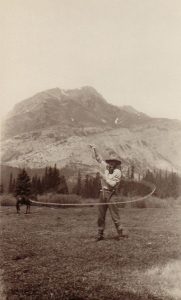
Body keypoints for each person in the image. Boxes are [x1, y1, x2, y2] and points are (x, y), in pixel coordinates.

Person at [89, 144, 128, 241]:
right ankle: (100, 234)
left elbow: (112, 185)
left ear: (116, 163)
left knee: (115, 216)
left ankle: (121, 234)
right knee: (100, 215)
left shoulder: (117, 172)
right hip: (102, 194)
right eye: (110, 161)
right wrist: (94, 148)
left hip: (111, 194)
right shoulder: (106, 167)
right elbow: (98, 158)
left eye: (113, 162)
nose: (111, 163)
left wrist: (104, 177)